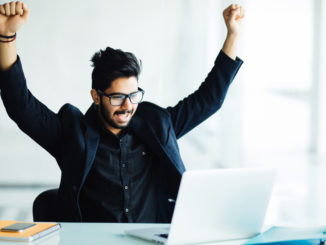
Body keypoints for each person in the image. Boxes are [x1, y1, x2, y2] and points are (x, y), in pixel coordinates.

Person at [0, 1, 244, 223]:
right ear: (96, 96)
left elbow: (208, 100)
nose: (128, 106)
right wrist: (6, 36)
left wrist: (232, 35)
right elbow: (21, 106)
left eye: (133, 95)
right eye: (117, 97)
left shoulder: (157, 125)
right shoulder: (73, 135)